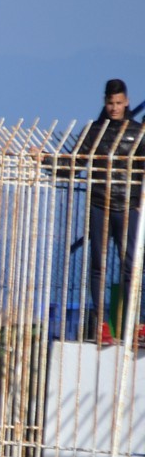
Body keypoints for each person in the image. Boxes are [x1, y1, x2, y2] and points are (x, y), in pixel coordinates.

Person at [74, 79, 144, 340]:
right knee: (98, 265)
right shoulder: (94, 131)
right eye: (111, 103)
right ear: (105, 102)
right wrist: (44, 159)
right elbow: (74, 164)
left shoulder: (138, 133)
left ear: (126, 102)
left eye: (119, 102)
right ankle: (101, 323)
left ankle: (135, 324)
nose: (115, 107)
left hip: (128, 206)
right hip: (99, 204)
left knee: (132, 266)